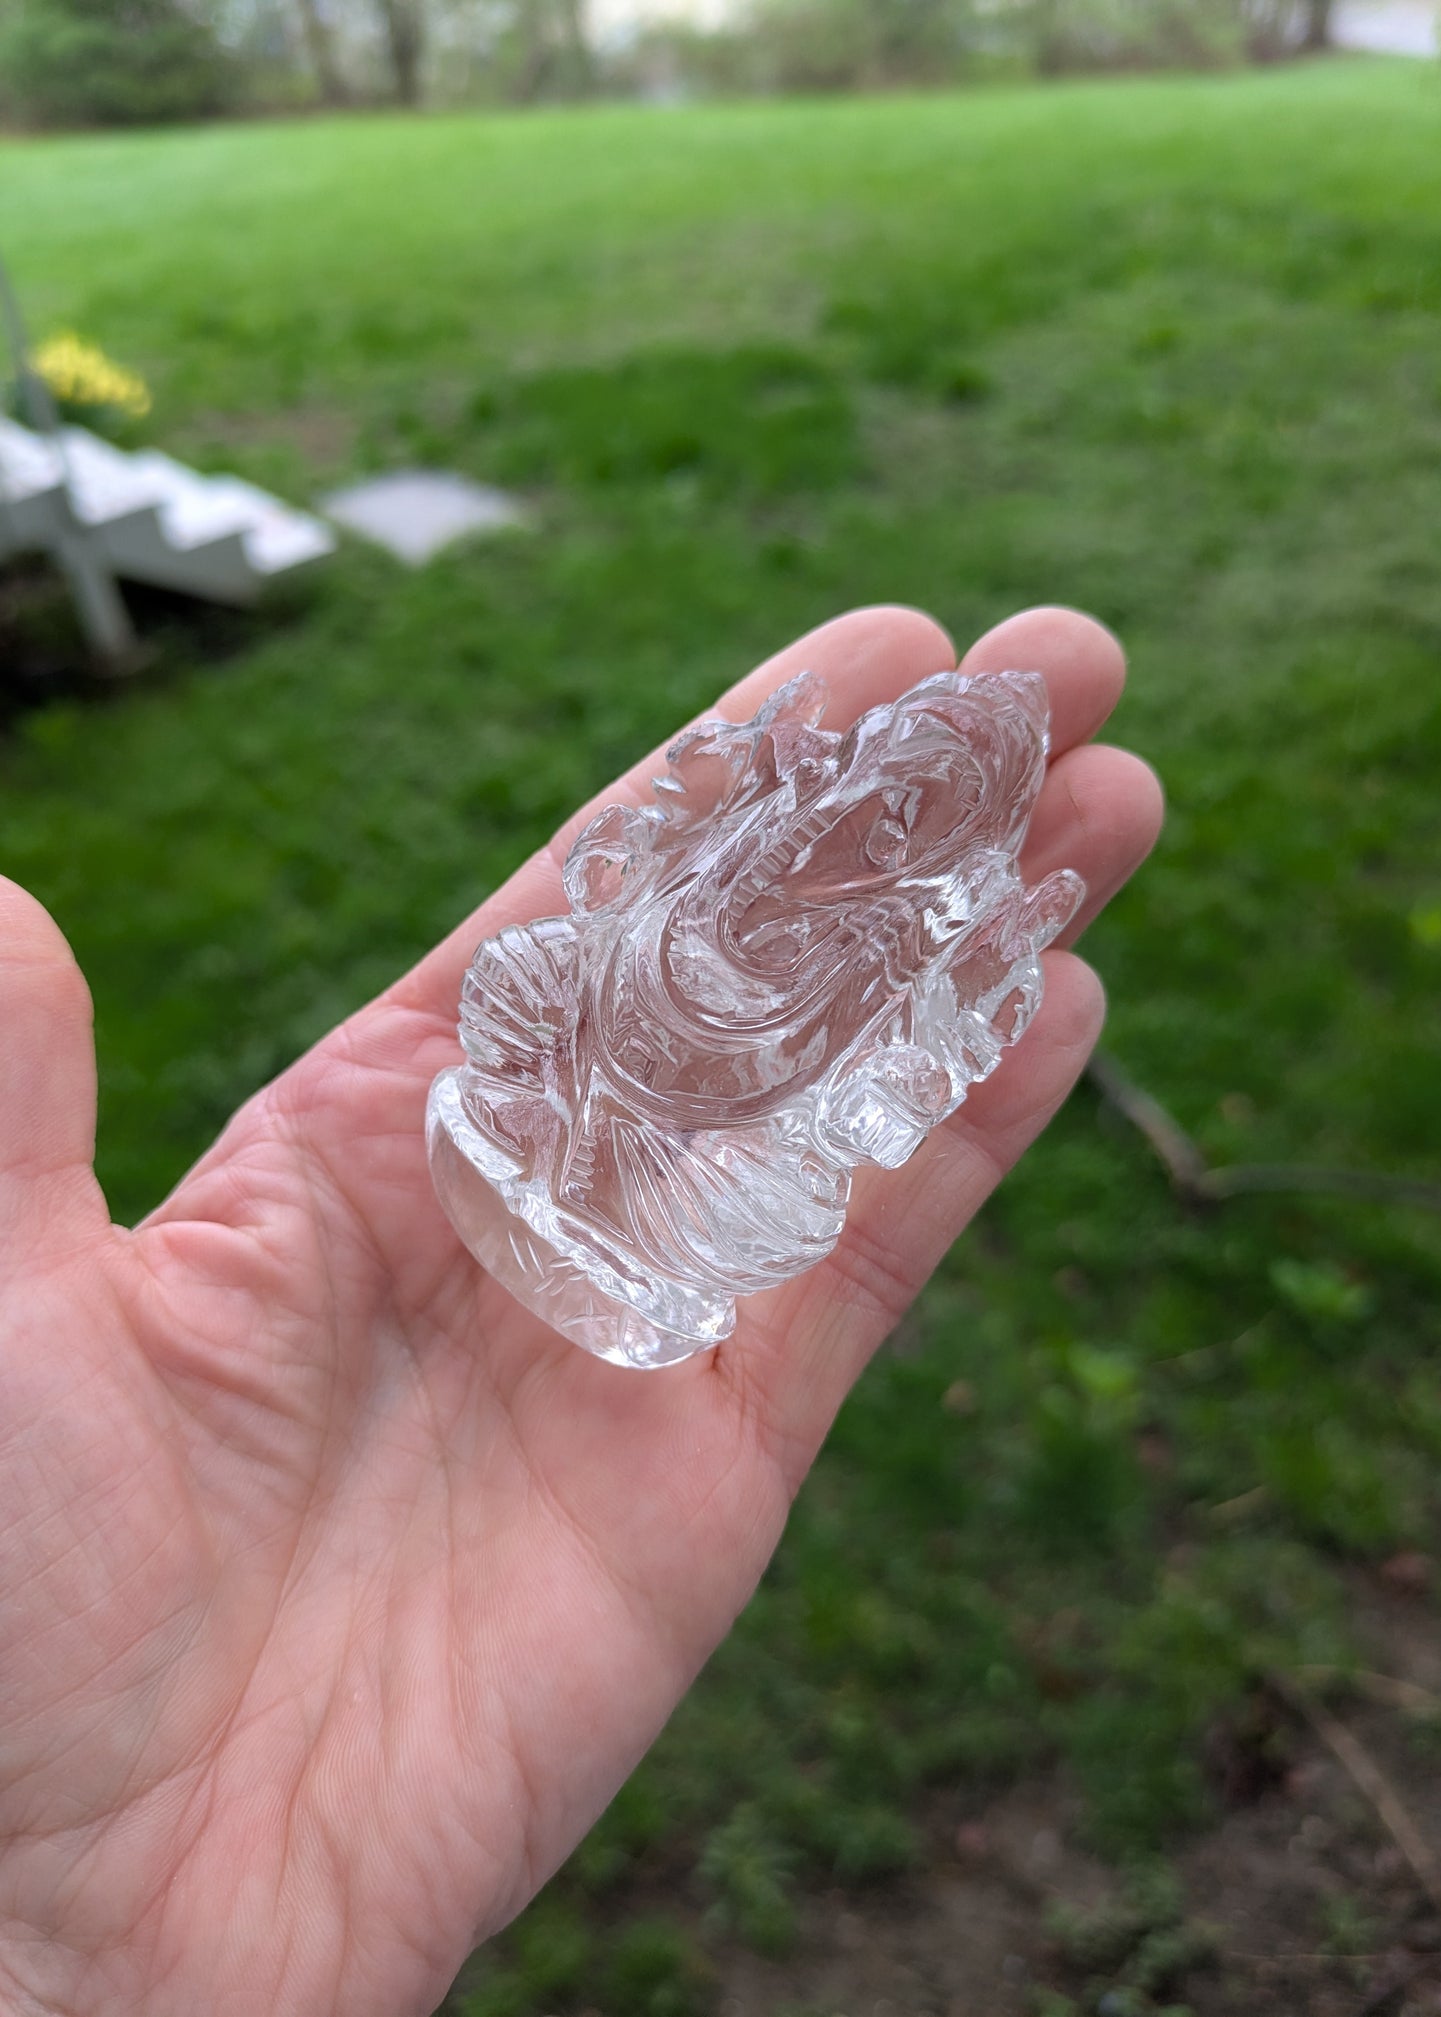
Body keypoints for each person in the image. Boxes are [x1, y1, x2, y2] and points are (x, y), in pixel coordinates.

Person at [0, 604, 1163, 2017]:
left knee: (777, 1206)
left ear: (952, 843)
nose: (874, 814)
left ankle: (617, 1184)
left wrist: (973, 973)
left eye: (923, 809)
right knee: (530, 985)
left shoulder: (902, 926)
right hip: (586, 1039)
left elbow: (885, 1074)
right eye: (884, 773)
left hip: (694, 1153)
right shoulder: (795, 808)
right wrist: (724, 780)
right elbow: (640, 860)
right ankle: (563, 1144)